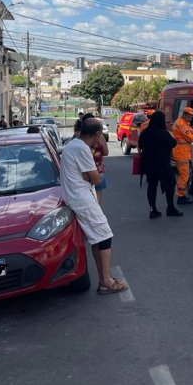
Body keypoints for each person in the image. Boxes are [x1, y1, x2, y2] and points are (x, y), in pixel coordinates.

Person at [60, 118, 128, 295]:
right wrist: (89, 176)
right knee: (104, 235)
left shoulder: (72, 145)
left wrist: (88, 176)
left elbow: (89, 175)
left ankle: (104, 279)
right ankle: (106, 281)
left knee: (97, 238)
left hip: (77, 197)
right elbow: (96, 178)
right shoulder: (81, 148)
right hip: (82, 199)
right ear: (98, 134)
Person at [138, 111, 180, 218]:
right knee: (171, 183)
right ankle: (170, 207)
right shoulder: (163, 133)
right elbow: (173, 143)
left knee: (152, 186)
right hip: (162, 164)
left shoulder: (146, 132)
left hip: (148, 164)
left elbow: (140, 144)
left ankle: (153, 209)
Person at [172, 106, 193, 205]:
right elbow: (190, 138)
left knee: (183, 175)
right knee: (184, 176)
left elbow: (190, 131)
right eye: (189, 116)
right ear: (184, 114)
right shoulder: (181, 124)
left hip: (182, 152)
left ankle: (181, 195)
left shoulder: (183, 122)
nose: (191, 118)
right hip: (181, 153)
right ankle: (181, 196)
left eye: (192, 116)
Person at [82, 112, 108, 203]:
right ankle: (96, 212)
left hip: (83, 170)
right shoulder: (100, 136)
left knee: (85, 194)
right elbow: (105, 152)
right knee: (97, 193)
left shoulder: (78, 136)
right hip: (98, 169)